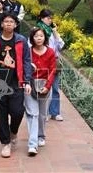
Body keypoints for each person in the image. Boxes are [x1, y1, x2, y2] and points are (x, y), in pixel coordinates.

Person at [0, 13, 33, 158]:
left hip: (16, 81)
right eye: (6, 21)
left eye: (11, 21)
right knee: (2, 114)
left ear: (15, 25)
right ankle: (6, 143)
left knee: (18, 111)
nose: (9, 23)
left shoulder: (21, 40)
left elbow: (26, 61)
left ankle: (13, 131)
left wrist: (27, 81)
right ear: (2, 24)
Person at [24, 27, 56, 156]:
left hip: (45, 85)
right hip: (30, 85)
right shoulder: (28, 52)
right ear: (32, 38)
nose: (39, 38)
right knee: (33, 114)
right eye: (36, 36)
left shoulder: (50, 52)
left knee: (42, 114)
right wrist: (26, 82)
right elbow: (24, 69)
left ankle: (41, 135)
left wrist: (47, 86)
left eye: (41, 36)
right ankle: (32, 144)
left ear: (45, 38)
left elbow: (53, 70)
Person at [35, 9, 65, 121]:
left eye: (51, 18)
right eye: (48, 18)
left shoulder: (52, 32)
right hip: (42, 62)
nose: (50, 20)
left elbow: (61, 45)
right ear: (42, 18)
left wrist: (56, 33)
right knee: (43, 87)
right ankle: (44, 112)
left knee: (55, 88)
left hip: (54, 62)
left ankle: (55, 112)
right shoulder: (37, 31)